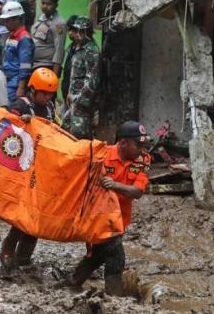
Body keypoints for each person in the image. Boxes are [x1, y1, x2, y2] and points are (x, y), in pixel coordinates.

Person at [58, 121, 151, 296]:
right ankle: (114, 298)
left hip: (120, 218)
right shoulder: (101, 154)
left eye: (144, 145)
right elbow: (70, 153)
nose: (142, 149)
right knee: (116, 257)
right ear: (123, 143)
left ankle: (72, 282)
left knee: (98, 255)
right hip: (97, 218)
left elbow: (138, 191)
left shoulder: (143, 160)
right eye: (138, 144)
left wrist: (115, 186)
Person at [0, 67, 58, 269]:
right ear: (33, 91)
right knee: (24, 213)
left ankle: (24, 257)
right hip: (23, 167)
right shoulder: (20, 105)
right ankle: (7, 248)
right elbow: (5, 128)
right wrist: (21, 123)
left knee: (38, 215)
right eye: (43, 93)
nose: (47, 97)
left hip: (43, 168)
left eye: (50, 93)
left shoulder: (50, 108)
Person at [61, 16, 99, 140]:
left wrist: (79, 99)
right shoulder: (76, 48)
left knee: (79, 136)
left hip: (82, 102)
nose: (77, 34)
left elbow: (91, 81)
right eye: (76, 30)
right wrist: (70, 94)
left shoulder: (91, 51)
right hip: (72, 99)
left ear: (87, 32)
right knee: (64, 130)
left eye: (81, 31)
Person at [0, 1, 34, 104]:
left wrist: (21, 87)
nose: (5, 24)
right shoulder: (12, 35)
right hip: (7, 79)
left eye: (7, 21)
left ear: (17, 19)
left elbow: (25, 65)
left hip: (15, 83)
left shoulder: (24, 38)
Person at [31, 0, 65, 76]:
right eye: (43, 3)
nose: (45, 6)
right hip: (34, 64)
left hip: (46, 66)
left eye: (49, 4)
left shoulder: (58, 23)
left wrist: (54, 75)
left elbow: (59, 49)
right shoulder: (42, 17)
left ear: (56, 5)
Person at [61, 15, 78, 99]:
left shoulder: (86, 50)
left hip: (76, 96)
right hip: (67, 93)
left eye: (73, 29)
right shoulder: (71, 48)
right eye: (69, 30)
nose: (70, 33)